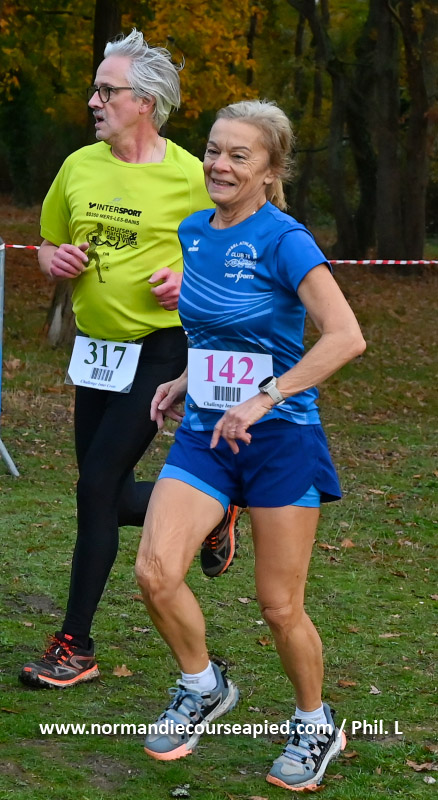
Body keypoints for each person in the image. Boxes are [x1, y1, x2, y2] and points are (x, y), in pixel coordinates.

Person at [135, 100, 366, 791]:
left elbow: (346, 337)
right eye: (214, 150)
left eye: (240, 155)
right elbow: (216, 332)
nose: (220, 165)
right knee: (154, 572)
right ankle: (203, 685)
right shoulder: (193, 231)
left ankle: (314, 722)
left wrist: (265, 396)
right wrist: (186, 378)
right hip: (206, 434)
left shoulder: (285, 239)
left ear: (271, 170)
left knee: (278, 606)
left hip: (280, 441)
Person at [19, 30, 237, 690]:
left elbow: (232, 258)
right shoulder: (79, 166)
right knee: (103, 494)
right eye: (95, 90)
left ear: (144, 102)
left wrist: (187, 281)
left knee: (94, 488)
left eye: (105, 90)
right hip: (96, 353)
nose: (93, 101)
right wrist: (53, 260)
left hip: (161, 352)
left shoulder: (190, 176)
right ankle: (214, 510)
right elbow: (47, 241)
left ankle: (75, 645)